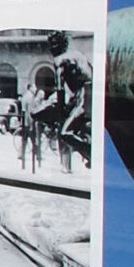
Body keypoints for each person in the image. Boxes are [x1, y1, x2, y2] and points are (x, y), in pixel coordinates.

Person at [48, 30, 93, 171]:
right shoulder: (78, 55)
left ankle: (92, 153)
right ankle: (87, 152)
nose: (51, 48)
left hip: (84, 95)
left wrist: (60, 113)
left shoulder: (60, 60)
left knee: (65, 133)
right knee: (77, 128)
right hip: (90, 93)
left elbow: (60, 89)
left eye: (53, 45)